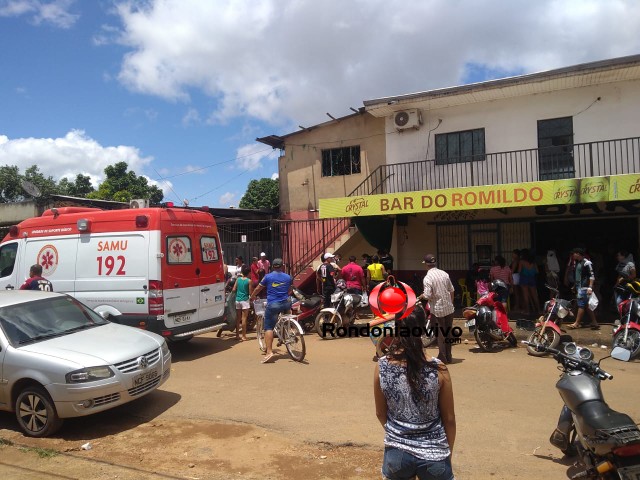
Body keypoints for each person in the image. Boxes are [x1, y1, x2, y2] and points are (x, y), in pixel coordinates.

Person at [374, 308, 456, 480]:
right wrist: (446, 453)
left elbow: (381, 413)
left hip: (397, 455)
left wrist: (399, 434)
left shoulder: (381, 366)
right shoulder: (439, 369)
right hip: (434, 455)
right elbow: (449, 419)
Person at [249, 258, 292, 363]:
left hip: (273, 304)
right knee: (286, 318)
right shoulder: (288, 277)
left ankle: (269, 351)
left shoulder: (268, 277)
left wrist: (252, 296)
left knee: (268, 327)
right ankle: (287, 333)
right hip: (286, 303)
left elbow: (259, 288)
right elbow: (290, 289)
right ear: (282, 266)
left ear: (272, 266)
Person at [422, 254, 455, 365]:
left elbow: (427, 295)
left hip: (437, 309)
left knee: (440, 333)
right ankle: (449, 356)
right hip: (449, 308)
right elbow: (452, 290)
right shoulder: (444, 274)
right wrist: (450, 302)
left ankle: (443, 356)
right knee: (448, 332)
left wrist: (422, 296)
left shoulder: (428, 278)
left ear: (426, 265)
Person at [568, 248, 599, 330]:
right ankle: (594, 322)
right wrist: (575, 285)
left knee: (581, 305)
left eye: (574, 254)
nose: (573, 255)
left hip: (584, 288)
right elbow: (578, 276)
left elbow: (592, 276)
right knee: (587, 305)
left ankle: (577, 323)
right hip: (579, 287)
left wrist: (590, 287)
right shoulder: (577, 263)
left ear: (578, 254)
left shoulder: (587, 263)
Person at [232, 265, 252, 341]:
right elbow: (250, 292)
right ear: (249, 273)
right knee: (244, 319)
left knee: (238, 318)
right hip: (245, 300)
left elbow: (234, 289)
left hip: (238, 300)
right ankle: (243, 336)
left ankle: (237, 335)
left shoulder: (238, 279)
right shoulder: (249, 281)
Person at [518, 249, 540, 315]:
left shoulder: (521, 262)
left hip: (524, 278)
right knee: (535, 295)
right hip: (532, 279)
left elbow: (519, 271)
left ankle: (527, 311)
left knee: (525, 295)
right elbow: (537, 271)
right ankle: (539, 310)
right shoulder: (533, 262)